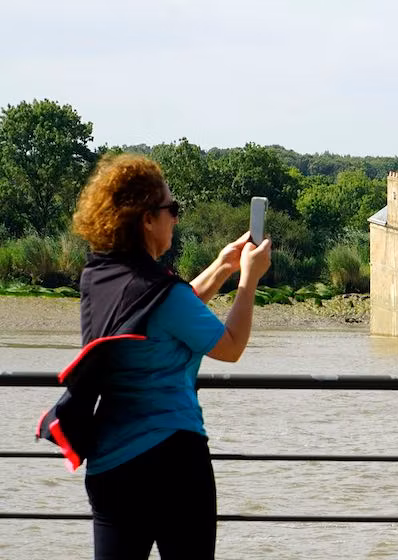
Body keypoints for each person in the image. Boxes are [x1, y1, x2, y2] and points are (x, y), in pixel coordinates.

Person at [38, 153, 271, 559]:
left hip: (110, 465)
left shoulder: (100, 277)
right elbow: (230, 346)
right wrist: (249, 280)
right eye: (171, 209)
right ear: (147, 219)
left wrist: (221, 266)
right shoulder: (164, 294)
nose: (175, 219)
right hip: (173, 466)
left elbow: (158, 314)